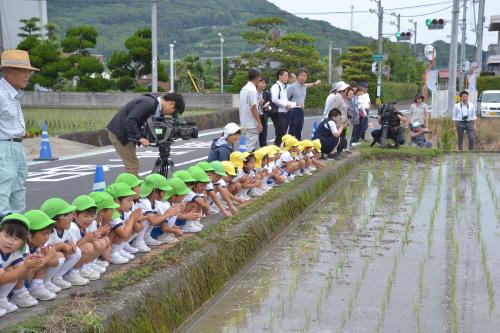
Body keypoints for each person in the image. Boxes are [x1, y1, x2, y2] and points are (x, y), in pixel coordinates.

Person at [106, 92, 185, 176]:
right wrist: (140, 138)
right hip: (120, 133)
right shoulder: (149, 104)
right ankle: (131, 188)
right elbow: (130, 120)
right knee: (132, 166)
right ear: (172, 103)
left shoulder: (155, 107)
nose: (171, 114)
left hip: (126, 133)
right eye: (173, 112)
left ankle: (130, 187)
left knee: (132, 165)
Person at [0, 50, 39, 220]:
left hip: (16, 146)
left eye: (29, 71)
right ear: (8, 71)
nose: (28, 75)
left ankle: (16, 237)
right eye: (24, 71)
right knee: (3, 193)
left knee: (18, 192)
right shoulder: (1, 94)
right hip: (3, 146)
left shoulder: (13, 95)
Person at [0, 214, 43, 315]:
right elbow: (1, 278)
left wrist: (32, 265)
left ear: (22, 243)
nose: (10, 242)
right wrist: (25, 267)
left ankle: (2, 300)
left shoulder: (15, 253)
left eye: (17, 239)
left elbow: (23, 276)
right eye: (6, 236)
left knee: (13, 271)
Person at [286, 68, 321, 140]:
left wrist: (315, 83)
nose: (303, 77)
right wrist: (294, 104)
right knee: (292, 131)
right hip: (293, 111)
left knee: (299, 130)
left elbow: (309, 85)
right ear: (297, 77)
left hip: (301, 111)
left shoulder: (304, 86)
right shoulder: (292, 87)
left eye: (305, 76)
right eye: (301, 75)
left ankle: (298, 148)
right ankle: (289, 149)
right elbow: (285, 100)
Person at [270, 69, 296, 146]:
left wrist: (296, 104)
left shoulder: (283, 87)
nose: (287, 78)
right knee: (280, 135)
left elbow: (285, 101)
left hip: (284, 113)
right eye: (286, 75)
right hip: (278, 113)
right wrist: (285, 105)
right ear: (280, 76)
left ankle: (278, 153)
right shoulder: (276, 86)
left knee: (283, 135)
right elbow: (274, 99)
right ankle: (275, 153)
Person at [239, 68, 263, 152]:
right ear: (257, 77)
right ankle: (245, 164)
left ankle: (240, 163)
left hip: (243, 122)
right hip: (251, 124)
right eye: (259, 77)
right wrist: (259, 123)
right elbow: (253, 108)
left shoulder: (244, 89)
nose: (260, 79)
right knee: (249, 148)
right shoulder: (252, 90)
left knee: (242, 147)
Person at [257, 77, 272, 148]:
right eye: (262, 83)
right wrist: (258, 103)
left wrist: (266, 107)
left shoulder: (266, 94)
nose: (264, 84)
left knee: (263, 138)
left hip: (263, 117)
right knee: (253, 138)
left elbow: (269, 106)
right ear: (257, 82)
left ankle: (263, 154)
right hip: (255, 117)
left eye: (265, 83)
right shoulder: (253, 92)